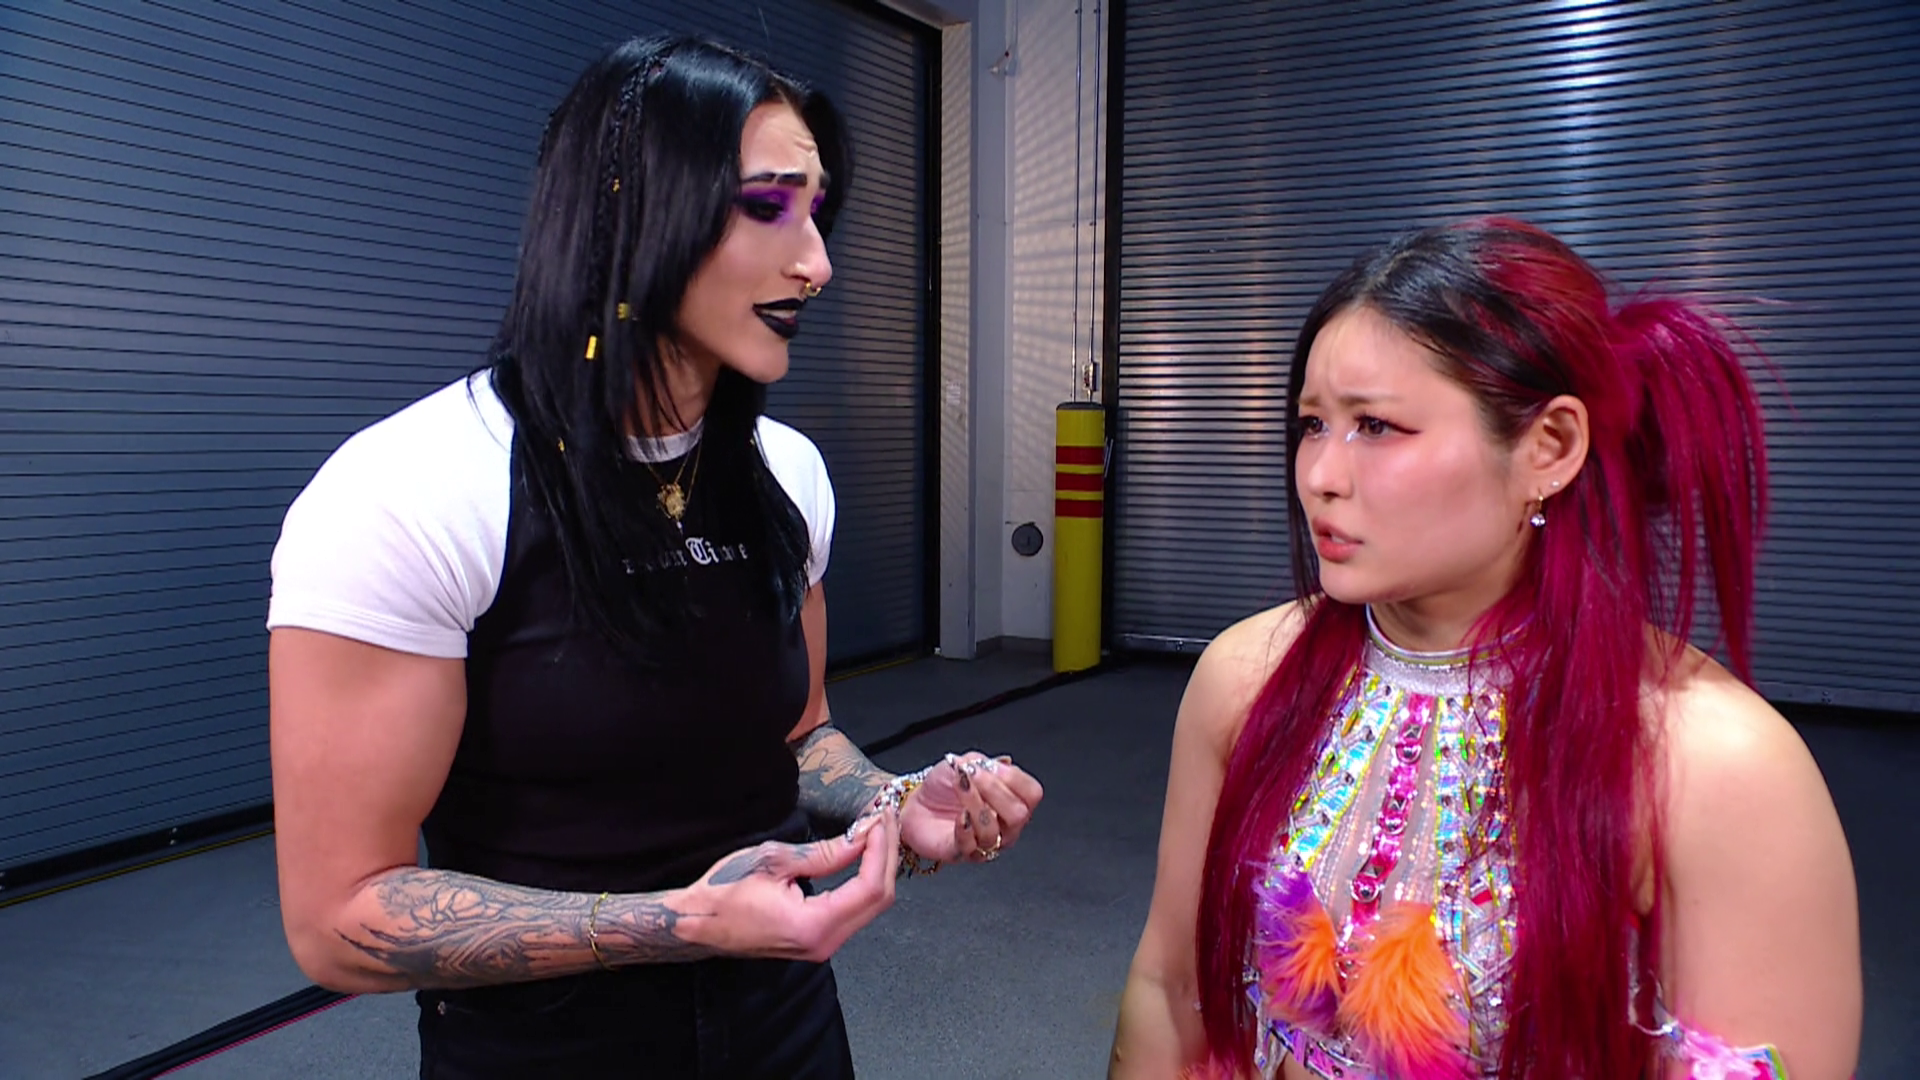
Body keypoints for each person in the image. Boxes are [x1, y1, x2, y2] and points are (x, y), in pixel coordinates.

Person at [266, 35, 1043, 1079]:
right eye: (768, 206)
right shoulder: (412, 491)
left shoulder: (788, 474)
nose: (817, 263)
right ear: (628, 211)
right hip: (545, 1055)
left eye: (818, 212)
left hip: (786, 1032)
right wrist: (678, 923)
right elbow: (339, 916)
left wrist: (896, 805)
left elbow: (799, 736)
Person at [1109, 218, 1861, 1079]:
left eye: (1377, 426)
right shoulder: (1245, 675)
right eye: (1313, 423)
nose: (1319, 475)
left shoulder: (1714, 763)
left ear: (1550, 447)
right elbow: (1170, 984)